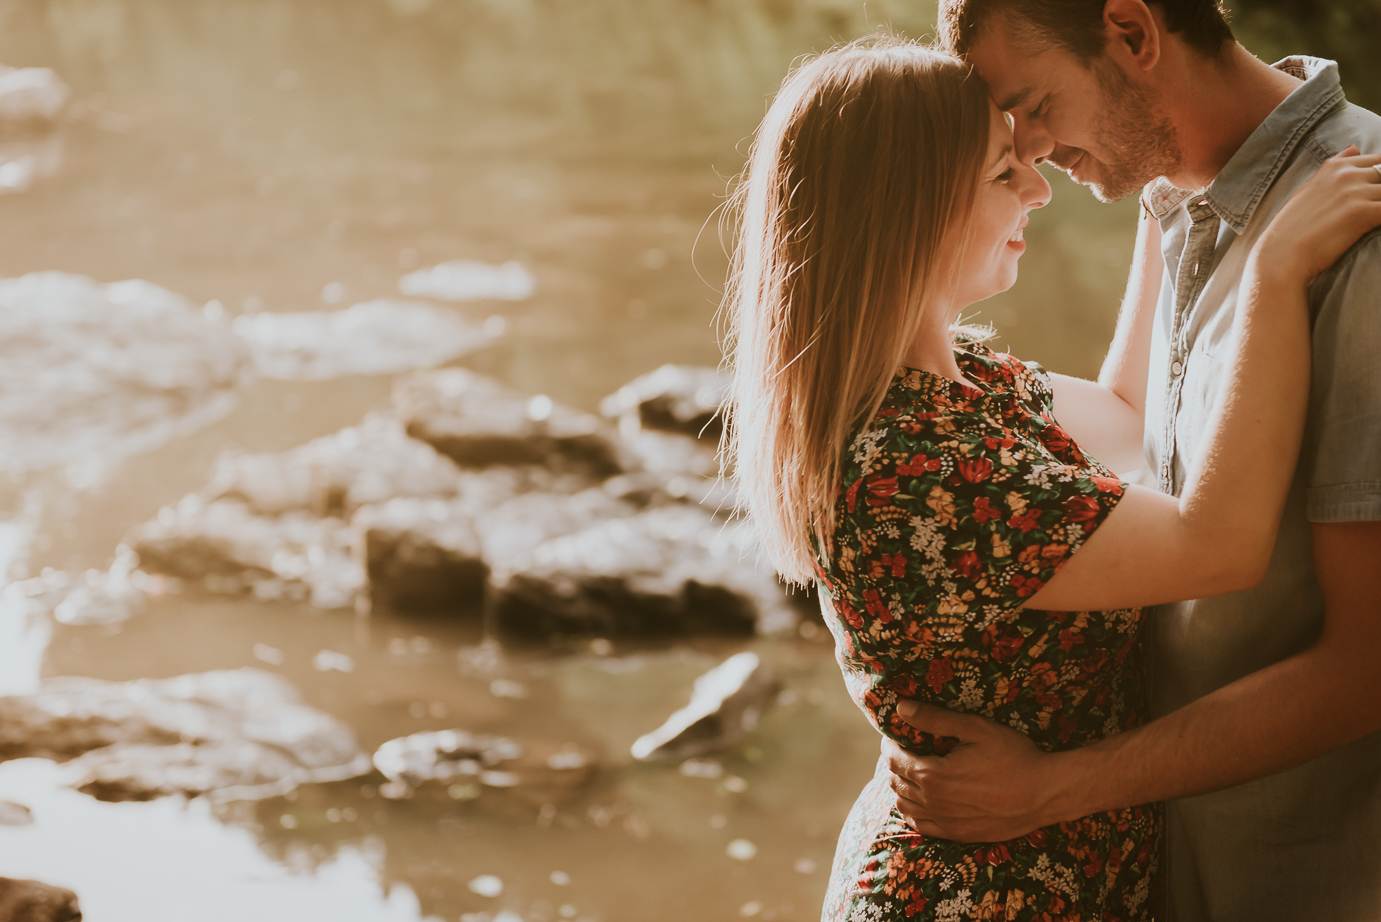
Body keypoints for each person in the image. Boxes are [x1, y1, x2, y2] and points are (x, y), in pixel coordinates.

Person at [722, 32, 1381, 921]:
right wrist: (1269, 271)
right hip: (982, 899)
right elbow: (1216, 543)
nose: (1037, 184)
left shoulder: (962, 389)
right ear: (904, 209)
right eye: (1002, 173)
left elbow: (1124, 415)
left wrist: (1175, 187)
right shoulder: (913, 470)